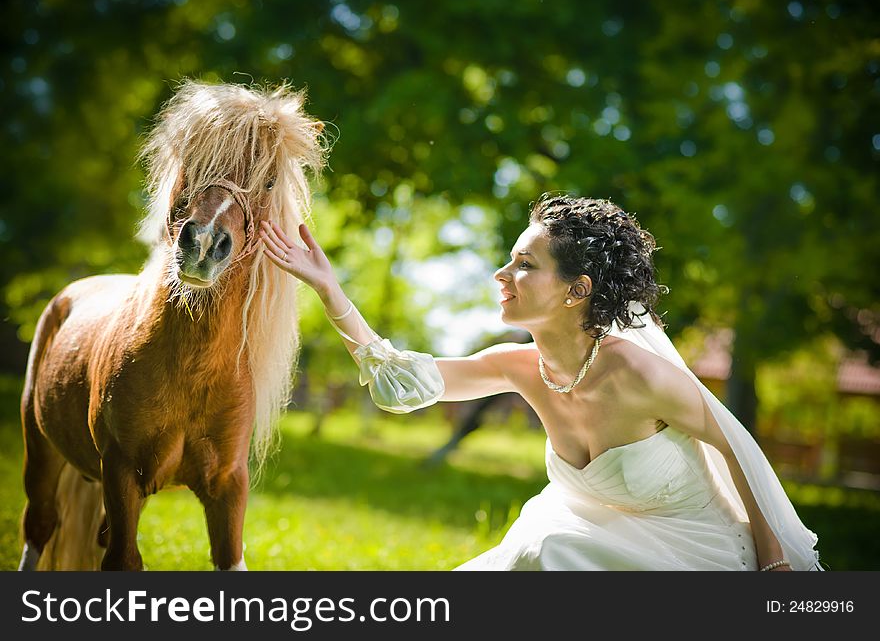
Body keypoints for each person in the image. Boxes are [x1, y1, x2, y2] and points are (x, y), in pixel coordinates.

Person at [259, 193, 823, 571]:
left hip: (691, 552)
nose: (501, 276)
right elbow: (403, 387)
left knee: (549, 552)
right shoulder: (518, 365)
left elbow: (736, 451)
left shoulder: (640, 373)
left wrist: (771, 563)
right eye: (509, 260)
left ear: (576, 290)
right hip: (591, 533)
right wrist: (330, 291)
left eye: (525, 265)